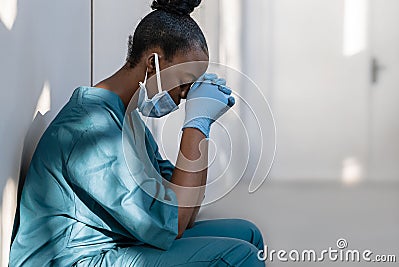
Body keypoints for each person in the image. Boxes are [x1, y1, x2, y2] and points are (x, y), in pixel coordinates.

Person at [10, 0, 265, 266]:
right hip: (75, 258)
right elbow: (174, 222)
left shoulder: (126, 117)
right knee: (239, 256)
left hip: (117, 242)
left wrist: (204, 125)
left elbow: (186, 211)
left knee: (248, 234)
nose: (187, 95)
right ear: (153, 62)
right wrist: (196, 123)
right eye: (185, 81)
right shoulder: (90, 129)